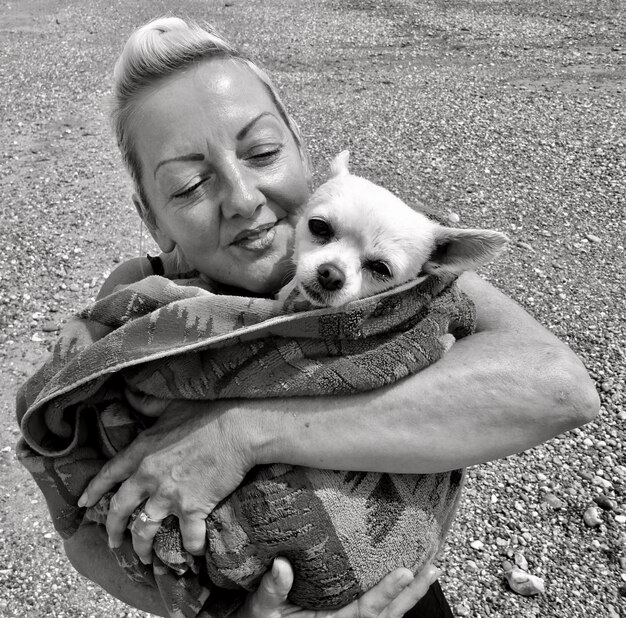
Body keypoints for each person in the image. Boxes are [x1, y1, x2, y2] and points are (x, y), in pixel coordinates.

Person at [36, 16, 598, 618]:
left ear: (305, 157)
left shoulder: (400, 277)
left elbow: (559, 389)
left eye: (262, 153)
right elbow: (82, 532)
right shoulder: (135, 306)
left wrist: (241, 434)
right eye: (190, 184)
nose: (244, 198)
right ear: (150, 216)